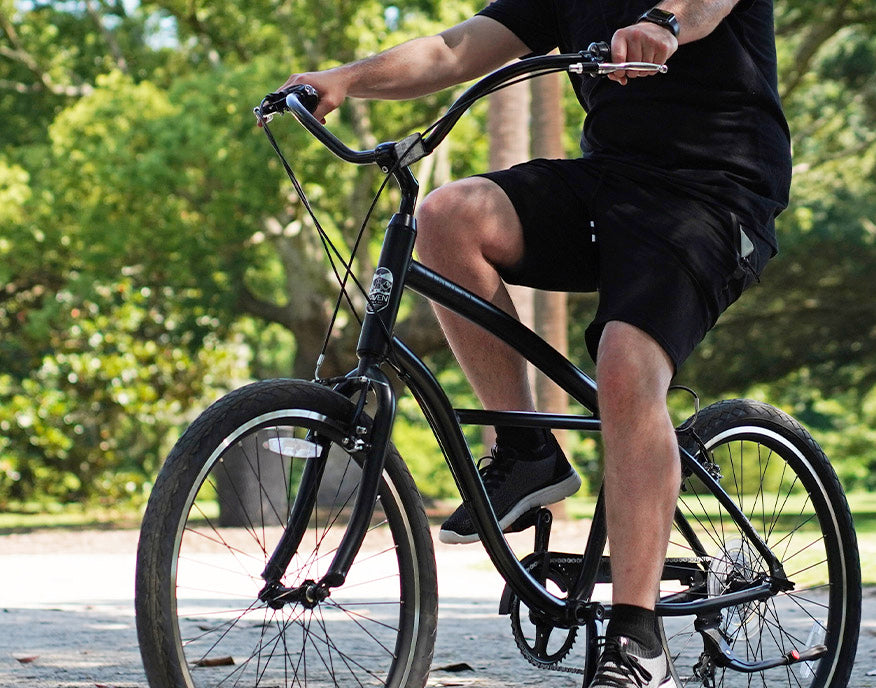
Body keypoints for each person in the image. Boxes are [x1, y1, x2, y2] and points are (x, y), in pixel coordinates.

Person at [280, 1, 791, 686]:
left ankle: (639, 637)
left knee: (625, 360)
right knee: (447, 216)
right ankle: (525, 450)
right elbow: (454, 48)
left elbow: (701, 7)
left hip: (717, 192)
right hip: (611, 182)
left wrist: (665, 24)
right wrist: (345, 78)